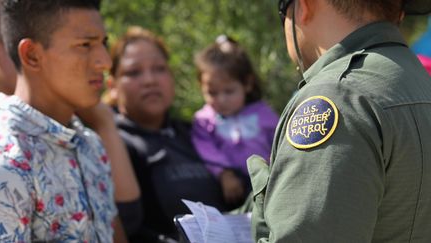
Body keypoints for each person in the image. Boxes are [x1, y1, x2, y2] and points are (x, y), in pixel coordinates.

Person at [248, 0, 431, 242]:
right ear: (398, 12)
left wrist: (263, 218)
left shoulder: (336, 96)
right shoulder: (419, 81)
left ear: (304, 7)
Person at [0, 0, 122, 242]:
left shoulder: (90, 144)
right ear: (32, 55)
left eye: (103, 43)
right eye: (85, 45)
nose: (105, 62)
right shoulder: (8, 160)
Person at [106, 26, 226, 242]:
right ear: (112, 86)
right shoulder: (111, 143)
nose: (150, 80)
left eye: (159, 69)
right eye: (134, 72)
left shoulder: (196, 134)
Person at [192, 35, 279, 207]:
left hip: (266, 180)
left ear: (247, 84)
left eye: (229, 91)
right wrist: (224, 173)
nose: (221, 99)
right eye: (212, 93)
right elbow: (207, 151)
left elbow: (278, 142)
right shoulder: (204, 120)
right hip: (227, 186)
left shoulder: (263, 113)